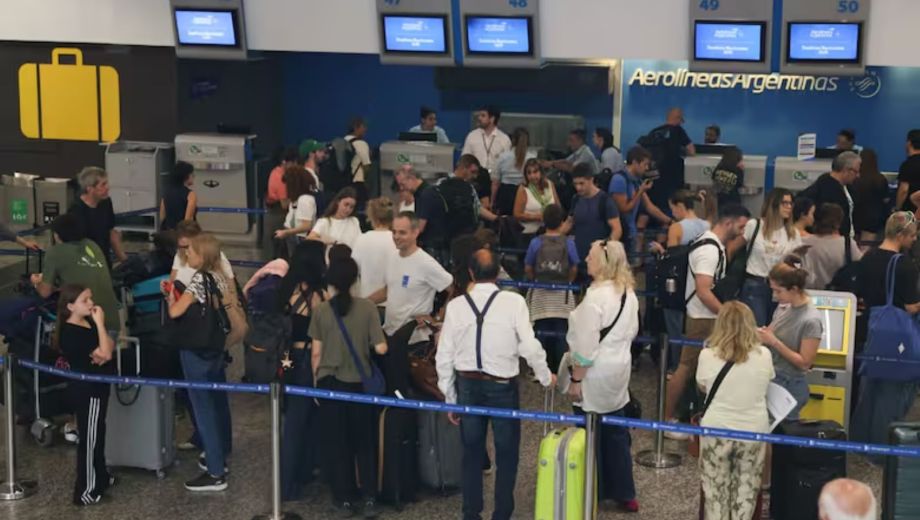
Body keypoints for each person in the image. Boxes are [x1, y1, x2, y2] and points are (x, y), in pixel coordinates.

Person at [436, 248, 554, 520]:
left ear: (470, 272)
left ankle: (471, 513)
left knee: (471, 453)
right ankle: (502, 513)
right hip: (503, 386)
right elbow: (530, 346)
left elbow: (445, 356)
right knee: (507, 453)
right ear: (499, 272)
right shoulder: (514, 303)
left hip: (467, 386)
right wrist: (545, 376)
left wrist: (449, 397)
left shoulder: (455, 307)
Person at [562, 239, 639, 512]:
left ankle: (593, 489)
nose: (585, 259)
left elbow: (585, 349)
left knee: (589, 432)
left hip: (594, 375)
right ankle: (624, 492)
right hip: (620, 369)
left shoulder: (595, 298)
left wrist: (576, 380)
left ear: (604, 263)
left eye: (591, 256)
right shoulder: (629, 293)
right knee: (617, 430)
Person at [309, 257, 387, 518]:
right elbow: (381, 348)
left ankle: (342, 499)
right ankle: (368, 499)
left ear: (330, 281)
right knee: (365, 443)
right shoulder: (367, 308)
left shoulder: (320, 310)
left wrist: (315, 384)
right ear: (356, 280)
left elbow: (316, 354)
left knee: (338, 443)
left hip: (330, 383)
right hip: (360, 385)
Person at [664, 204, 750, 432]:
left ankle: (679, 414)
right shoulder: (709, 250)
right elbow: (703, 290)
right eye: (741, 227)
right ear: (728, 223)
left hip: (705, 315)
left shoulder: (710, 242)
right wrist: (727, 315)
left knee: (691, 367)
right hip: (702, 318)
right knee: (685, 366)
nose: (743, 232)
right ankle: (667, 418)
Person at [167, 233, 233, 492]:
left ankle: (216, 472)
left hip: (196, 351)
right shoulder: (218, 277)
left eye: (191, 252)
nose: (187, 256)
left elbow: (175, 312)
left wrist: (171, 296)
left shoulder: (197, 281)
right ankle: (221, 454)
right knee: (218, 402)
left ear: (202, 255)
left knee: (202, 408)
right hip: (215, 348)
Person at [697, 301, 773, 520]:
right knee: (747, 490)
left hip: (716, 429)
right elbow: (768, 381)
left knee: (715, 491)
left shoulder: (707, 355)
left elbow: (703, 385)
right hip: (753, 431)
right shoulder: (764, 355)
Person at [852, 212, 920, 448]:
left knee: (870, 390)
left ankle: (862, 440)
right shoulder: (905, 265)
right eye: (912, 236)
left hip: (871, 328)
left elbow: (860, 294)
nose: (914, 240)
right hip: (897, 335)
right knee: (892, 395)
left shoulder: (867, 258)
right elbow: (911, 307)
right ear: (901, 235)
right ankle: (884, 447)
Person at [54, 284, 115, 506]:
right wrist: (100, 326)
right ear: (70, 306)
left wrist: (101, 339)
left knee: (98, 434)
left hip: (99, 387)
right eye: (85, 300)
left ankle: (101, 477)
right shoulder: (72, 332)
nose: (91, 303)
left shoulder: (87, 323)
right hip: (88, 391)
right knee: (89, 439)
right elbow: (105, 351)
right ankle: (85, 490)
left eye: (91, 298)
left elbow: (108, 346)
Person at [278, 241, 327, 501]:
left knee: (293, 419)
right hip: (308, 359)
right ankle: (290, 482)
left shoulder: (285, 288)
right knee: (301, 422)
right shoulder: (318, 294)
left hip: (285, 358)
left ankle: (293, 477)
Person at [650, 190, 713, 372]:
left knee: (675, 326)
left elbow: (671, 259)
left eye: (672, 209)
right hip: (699, 280)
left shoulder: (676, 228)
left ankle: (676, 365)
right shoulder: (707, 225)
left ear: (679, 206)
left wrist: (660, 250)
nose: (672, 213)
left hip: (678, 283)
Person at [369, 212, 453, 346]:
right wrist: (360, 304)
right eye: (394, 232)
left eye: (402, 233)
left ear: (416, 232)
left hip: (415, 340)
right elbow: (388, 291)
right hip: (390, 333)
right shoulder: (392, 257)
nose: (396, 237)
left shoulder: (426, 263)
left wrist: (437, 319)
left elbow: (455, 290)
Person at [757, 255, 823, 420]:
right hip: (774, 378)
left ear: (794, 289)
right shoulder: (783, 307)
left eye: (778, 291)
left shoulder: (811, 320)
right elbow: (772, 331)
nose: (774, 295)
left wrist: (774, 342)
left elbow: (805, 362)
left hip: (789, 387)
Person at [31, 214, 120, 334]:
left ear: (56, 235)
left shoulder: (55, 252)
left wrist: (36, 283)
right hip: (112, 323)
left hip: (87, 327)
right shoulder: (92, 245)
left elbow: (45, 292)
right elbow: (82, 274)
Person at [523, 204, 579, 372]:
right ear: (562, 222)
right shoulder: (568, 242)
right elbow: (575, 266)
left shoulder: (535, 242)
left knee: (541, 331)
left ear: (543, 220)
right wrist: (568, 282)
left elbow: (527, 267)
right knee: (562, 332)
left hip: (541, 292)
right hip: (562, 294)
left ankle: (541, 369)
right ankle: (561, 369)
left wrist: (536, 280)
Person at [739, 188, 801, 326]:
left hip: (781, 286)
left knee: (777, 329)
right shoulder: (754, 225)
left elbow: (796, 262)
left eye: (791, 203)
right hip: (756, 283)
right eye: (784, 203)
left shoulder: (793, 233)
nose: (789, 207)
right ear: (773, 204)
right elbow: (733, 248)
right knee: (756, 329)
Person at [609, 146, 672, 252]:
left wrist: (670, 221)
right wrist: (640, 191)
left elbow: (649, 206)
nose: (647, 168)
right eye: (645, 164)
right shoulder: (619, 180)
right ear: (635, 162)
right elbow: (624, 208)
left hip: (631, 231)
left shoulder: (637, 181)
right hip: (621, 232)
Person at [562, 163, 622, 265]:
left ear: (591, 180)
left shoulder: (605, 200)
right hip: (578, 258)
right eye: (575, 184)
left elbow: (617, 229)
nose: (578, 187)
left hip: (598, 260)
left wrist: (604, 249)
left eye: (581, 183)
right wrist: (551, 237)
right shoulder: (576, 199)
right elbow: (569, 222)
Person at [69, 166, 126, 267]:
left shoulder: (106, 203)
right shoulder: (76, 210)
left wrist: (124, 261)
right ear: (90, 189)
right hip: (86, 263)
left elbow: (111, 233)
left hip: (104, 260)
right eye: (103, 184)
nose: (107, 187)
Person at [640, 108, 696, 211]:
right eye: (681, 120)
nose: (681, 123)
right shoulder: (678, 130)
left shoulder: (654, 132)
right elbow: (691, 151)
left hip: (655, 176)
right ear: (677, 118)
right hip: (673, 176)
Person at [799, 151, 861, 239]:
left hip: (847, 239)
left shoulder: (849, 188)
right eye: (856, 172)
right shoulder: (824, 188)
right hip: (831, 240)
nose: (858, 175)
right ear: (846, 170)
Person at [394, 165, 449, 265]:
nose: (402, 188)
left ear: (411, 179)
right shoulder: (421, 193)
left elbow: (420, 226)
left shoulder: (426, 194)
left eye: (403, 184)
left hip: (434, 248)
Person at [801, 204, 863, 290]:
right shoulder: (847, 244)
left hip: (809, 293)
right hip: (840, 296)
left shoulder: (803, 243)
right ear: (839, 222)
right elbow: (861, 267)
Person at [352, 197, 396, 309]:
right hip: (393, 302)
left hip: (367, 300)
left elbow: (354, 270)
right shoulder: (397, 240)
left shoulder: (362, 239)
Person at [165, 219, 235, 291]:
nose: (185, 252)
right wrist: (166, 289)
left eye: (187, 247)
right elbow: (172, 283)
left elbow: (231, 289)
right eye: (180, 247)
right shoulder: (179, 254)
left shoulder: (215, 256)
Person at [274, 166, 318, 257]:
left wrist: (286, 232)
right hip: (292, 236)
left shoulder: (305, 200)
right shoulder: (297, 198)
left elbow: (306, 225)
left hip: (299, 238)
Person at [265, 147, 300, 258]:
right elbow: (284, 204)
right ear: (285, 162)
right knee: (278, 251)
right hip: (278, 215)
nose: (295, 166)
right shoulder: (281, 178)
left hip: (276, 214)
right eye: (294, 163)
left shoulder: (275, 171)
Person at [492, 127, 536, 216]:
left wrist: (492, 201)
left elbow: (495, 183)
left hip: (505, 194)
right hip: (525, 193)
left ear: (513, 140)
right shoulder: (531, 158)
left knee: (506, 224)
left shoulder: (502, 157)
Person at [513, 159, 559, 242]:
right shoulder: (523, 189)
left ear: (541, 172)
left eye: (535, 172)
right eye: (529, 173)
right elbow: (517, 214)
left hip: (550, 232)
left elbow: (557, 207)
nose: (532, 176)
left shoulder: (550, 184)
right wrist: (536, 217)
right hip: (529, 234)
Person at [852, 148, 891, 242]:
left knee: (855, 245)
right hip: (874, 218)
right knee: (867, 246)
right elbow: (885, 200)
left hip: (856, 216)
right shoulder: (880, 179)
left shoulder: (854, 179)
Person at [462, 105, 511, 176]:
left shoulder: (504, 139)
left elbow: (507, 164)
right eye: (479, 115)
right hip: (475, 178)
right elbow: (465, 159)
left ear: (492, 119)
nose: (479, 118)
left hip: (495, 180)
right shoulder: (472, 136)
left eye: (483, 116)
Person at [159, 161, 197, 231]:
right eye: (192, 174)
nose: (193, 176)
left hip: (168, 232)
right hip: (182, 233)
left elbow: (162, 216)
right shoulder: (190, 194)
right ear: (186, 176)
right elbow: (188, 220)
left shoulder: (167, 192)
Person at [344, 117, 372, 205]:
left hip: (343, 184)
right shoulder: (361, 144)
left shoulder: (343, 141)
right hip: (357, 184)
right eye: (363, 127)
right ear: (356, 127)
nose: (365, 130)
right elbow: (366, 166)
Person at [895, 129, 920, 213]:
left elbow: (903, 190)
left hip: (910, 212)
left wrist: (897, 209)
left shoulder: (907, 165)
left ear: (909, 143)